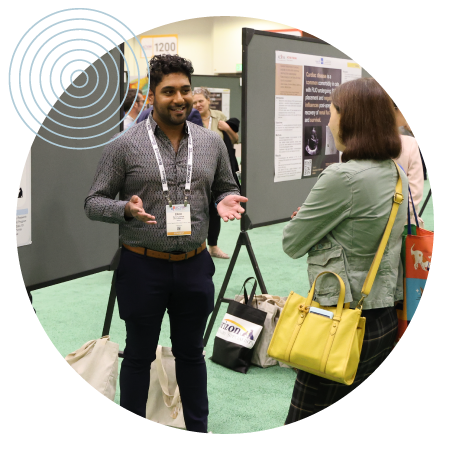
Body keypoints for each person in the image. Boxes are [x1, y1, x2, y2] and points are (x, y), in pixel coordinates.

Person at [84, 54, 247, 433]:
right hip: (142, 266)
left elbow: (226, 186)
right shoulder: (124, 145)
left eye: (185, 90)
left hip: (193, 265)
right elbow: (93, 202)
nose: (179, 98)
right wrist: (125, 209)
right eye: (168, 91)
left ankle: (197, 428)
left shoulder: (212, 143)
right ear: (152, 96)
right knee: (138, 356)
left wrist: (223, 198)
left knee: (191, 355)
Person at [283, 77, 408, 423]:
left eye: (333, 112)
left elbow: (291, 242)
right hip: (383, 317)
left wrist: (316, 227)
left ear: (351, 119)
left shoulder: (342, 177)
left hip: (340, 321)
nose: (328, 120)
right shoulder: (398, 173)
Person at [192, 87, 240, 259]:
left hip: (216, 171)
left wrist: (226, 127)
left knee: (215, 210)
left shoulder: (219, 116)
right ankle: (196, 247)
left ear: (208, 101)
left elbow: (235, 139)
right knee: (195, 209)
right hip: (196, 172)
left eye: (200, 101)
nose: (198, 105)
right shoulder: (189, 117)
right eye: (194, 102)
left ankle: (213, 246)